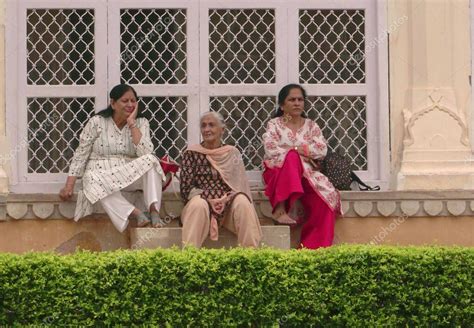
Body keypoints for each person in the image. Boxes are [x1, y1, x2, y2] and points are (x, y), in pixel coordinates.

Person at [59, 84, 167, 232]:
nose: (130, 105)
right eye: (125, 101)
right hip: (103, 174)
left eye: (133, 101)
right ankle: (137, 213)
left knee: (151, 160)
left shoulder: (141, 123)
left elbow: (146, 153)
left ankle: (154, 211)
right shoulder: (97, 122)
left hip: (128, 174)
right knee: (90, 179)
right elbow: (81, 153)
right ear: (113, 103)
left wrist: (132, 124)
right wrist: (69, 185)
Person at [262, 84, 341, 249]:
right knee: (291, 158)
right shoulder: (275, 124)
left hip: (307, 174)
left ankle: (312, 249)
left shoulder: (312, 126)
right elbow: (271, 149)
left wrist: (295, 149)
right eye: (292, 100)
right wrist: (300, 153)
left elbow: (321, 150)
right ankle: (280, 209)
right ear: (282, 105)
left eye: (300, 99)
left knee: (325, 200)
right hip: (279, 172)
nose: (297, 103)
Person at [179, 111, 263, 248]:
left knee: (242, 202)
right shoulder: (191, 153)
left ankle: (250, 256)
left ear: (222, 129)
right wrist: (208, 200)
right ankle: (189, 258)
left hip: (228, 208)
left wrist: (226, 199)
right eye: (203, 126)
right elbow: (185, 191)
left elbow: (239, 186)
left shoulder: (232, 153)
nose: (207, 129)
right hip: (202, 209)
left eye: (211, 125)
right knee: (197, 205)